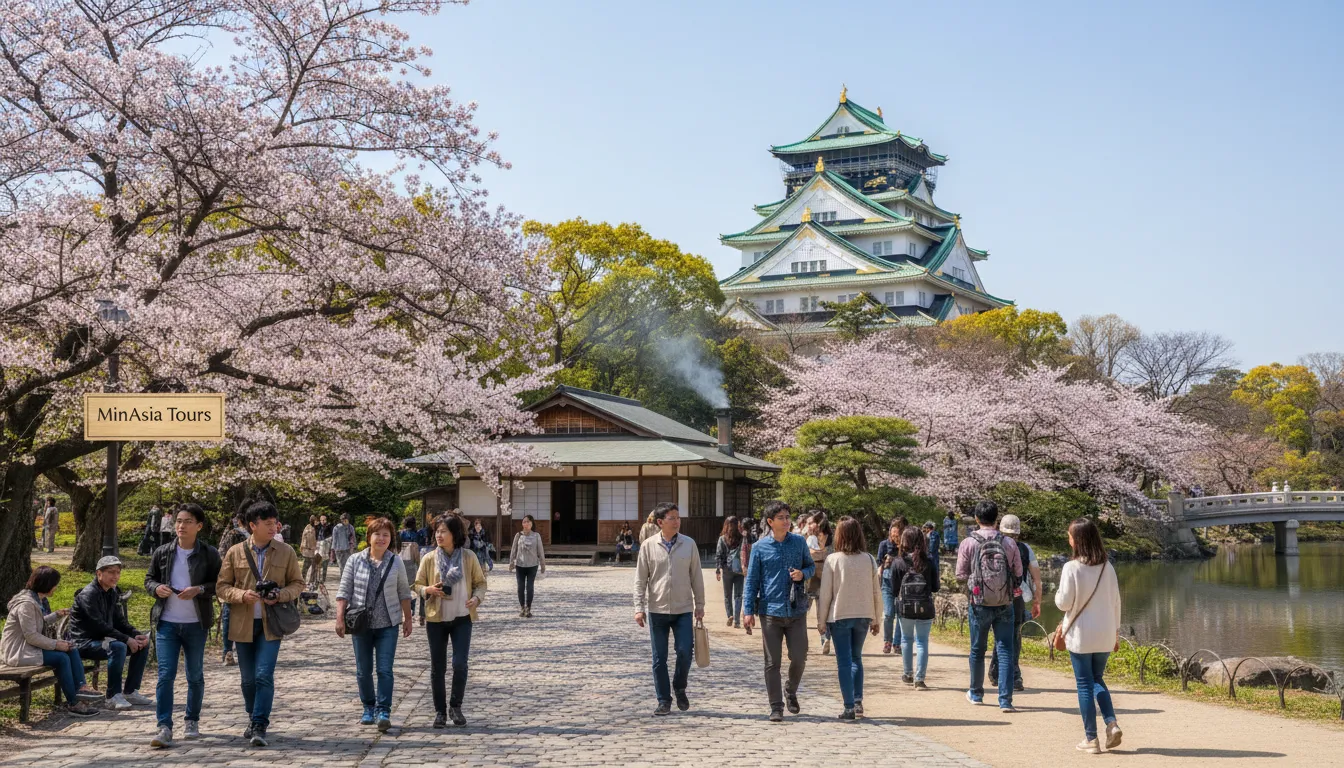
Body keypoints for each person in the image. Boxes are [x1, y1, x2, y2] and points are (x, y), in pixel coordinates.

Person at [215, 500, 305, 747]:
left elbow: (297, 583)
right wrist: (241, 595)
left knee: (264, 675)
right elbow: (221, 586)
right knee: (247, 680)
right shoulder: (235, 552)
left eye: (275, 522)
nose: (273, 527)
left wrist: (280, 595)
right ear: (252, 525)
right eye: (267, 523)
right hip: (242, 623)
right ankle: (252, 716)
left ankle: (259, 724)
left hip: (271, 624)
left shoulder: (286, 552)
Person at [145, 503, 222, 748]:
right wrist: (156, 588)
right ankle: (164, 726)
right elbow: (149, 579)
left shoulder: (209, 553)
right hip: (167, 623)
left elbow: (219, 583)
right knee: (165, 675)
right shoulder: (162, 552)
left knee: (195, 675)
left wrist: (199, 589)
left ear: (199, 526)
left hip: (196, 624)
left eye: (188, 521)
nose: (181, 525)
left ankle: (192, 719)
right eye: (179, 520)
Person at [336, 517, 413, 732]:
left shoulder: (395, 561)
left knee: (385, 670)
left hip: (388, 624)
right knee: (363, 670)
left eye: (386, 535)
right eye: (377, 534)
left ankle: (383, 710)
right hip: (361, 624)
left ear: (391, 538)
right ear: (369, 537)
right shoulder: (354, 560)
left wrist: (408, 618)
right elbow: (344, 592)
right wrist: (339, 618)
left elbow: (404, 592)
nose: (381, 538)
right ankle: (368, 707)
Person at [742, 500, 815, 722]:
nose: (786, 521)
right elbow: (752, 580)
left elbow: (810, 566)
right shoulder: (759, 548)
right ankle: (776, 706)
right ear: (770, 522)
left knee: (800, 657)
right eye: (781, 518)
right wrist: (747, 611)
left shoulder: (799, 542)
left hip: (796, 610)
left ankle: (791, 690)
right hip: (770, 611)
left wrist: (803, 574)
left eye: (787, 517)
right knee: (772, 662)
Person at [413, 512, 487, 728]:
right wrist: (427, 590)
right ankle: (439, 712)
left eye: (443, 531)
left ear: (455, 534)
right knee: (438, 667)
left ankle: (456, 706)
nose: (439, 535)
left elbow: (481, 583)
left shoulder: (468, 557)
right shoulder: (429, 558)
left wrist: (476, 598)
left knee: (460, 664)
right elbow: (417, 584)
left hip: (462, 618)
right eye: (437, 531)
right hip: (436, 620)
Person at [1056, 518, 1123, 754]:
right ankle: (1111, 723)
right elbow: (1116, 602)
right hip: (1105, 634)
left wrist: (1057, 594)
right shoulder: (1108, 567)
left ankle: (1091, 739)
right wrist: (1116, 632)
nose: (1069, 539)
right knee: (1097, 679)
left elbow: (1063, 603)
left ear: (1078, 540)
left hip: (1081, 635)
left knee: (1085, 684)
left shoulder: (1071, 568)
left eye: (1070, 536)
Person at [633, 502, 705, 716]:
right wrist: (639, 607)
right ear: (660, 522)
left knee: (685, 652)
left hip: (683, 609)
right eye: (672, 518)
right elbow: (640, 580)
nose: (677, 521)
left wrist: (699, 604)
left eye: (678, 517)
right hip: (657, 609)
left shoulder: (689, 544)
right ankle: (663, 699)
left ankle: (679, 686)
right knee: (659, 658)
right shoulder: (648, 546)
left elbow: (697, 576)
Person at [0, 567, 100, 717]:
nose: (56, 587)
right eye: (55, 584)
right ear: (47, 584)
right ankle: (74, 703)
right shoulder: (26, 604)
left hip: (29, 647)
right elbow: (31, 635)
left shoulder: (35, 600)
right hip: (18, 651)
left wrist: (55, 615)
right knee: (61, 657)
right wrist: (56, 644)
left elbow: (35, 624)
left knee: (71, 648)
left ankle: (82, 688)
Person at [955, 500, 1023, 712]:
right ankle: (1005, 700)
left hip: (979, 603)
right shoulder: (1009, 543)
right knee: (1005, 650)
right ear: (997, 519)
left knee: (977, 649)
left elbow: (960, 575)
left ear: (976, 519)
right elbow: (1019, 574)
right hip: (1004, 603)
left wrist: (973, 589)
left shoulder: (968, 542)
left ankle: (976, 693)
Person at [815, 517, 881, 720]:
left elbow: (825, 593)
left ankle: (849, 706)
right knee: (856, 659)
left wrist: (821, 620)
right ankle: (858, 701)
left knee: (844, 661)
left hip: (840, 614)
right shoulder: (869, 559)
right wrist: (877, 618)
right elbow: (876, 592)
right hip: (863, 614)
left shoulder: (833, 559)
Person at [70, 556, 152, 710]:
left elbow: (120, 621)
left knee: (142, 644)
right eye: (111, 572)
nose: (115, 576)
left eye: (118, 573)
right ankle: (113, 695)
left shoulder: (111, 592)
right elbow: (99, 625)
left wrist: (136, 635)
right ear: (99, 574)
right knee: (118, 646)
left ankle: (130, 691)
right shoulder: (89, 594)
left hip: (101, 640)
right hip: (83, 642)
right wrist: (127, 640)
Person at [992, 514, 1042, 693]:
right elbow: (1036, 579)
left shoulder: (993, 544)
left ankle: (996, 671)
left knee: (1001, 634)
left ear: (1000, 529)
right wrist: (1037, 601)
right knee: (1014, 636)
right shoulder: (1025, 549)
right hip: (1017, 596)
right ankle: (1014, 675)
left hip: (995, 596)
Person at [893, 526, 940, 690]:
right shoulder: (928, 562)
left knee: (906, 639)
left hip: (905, 608)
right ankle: (919, 679)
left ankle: (908, 674)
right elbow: (935, 587)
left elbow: (893, 589)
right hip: (924, 607)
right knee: (922, 642)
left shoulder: (898, 562)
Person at [215, 515, 249, 666]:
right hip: (237, 580)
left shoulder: (231, 534)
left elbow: (221, 555)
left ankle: (228, 651)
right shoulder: (237, 534)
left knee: (229, 616)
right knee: (232, 616)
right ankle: (229, 651)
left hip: (233, 580)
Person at [805, 513, 833, 655]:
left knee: (823, 613)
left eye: (811, 523)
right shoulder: (806, 538)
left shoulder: (831, 539)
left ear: (819, 523)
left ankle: (825, 639)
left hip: (825, 580)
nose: (808, 526)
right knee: (803, 611)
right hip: (809, 580)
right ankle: (802, 642)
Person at [875, 518, 904, 655]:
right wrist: (885, 562)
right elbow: (878, 562)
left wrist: (900, 551)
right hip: (887, 582)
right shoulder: (884, 545)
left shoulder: (905, 546)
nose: (894, 536)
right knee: (888, 614)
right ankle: (887, 641)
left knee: (900, 615)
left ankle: (897, 643)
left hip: (902, 582)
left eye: (897, 533)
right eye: (893, 533)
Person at [508, 514, 546, 617]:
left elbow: (540, 551)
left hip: (532, 565)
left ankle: (528, 608)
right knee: (520, 587)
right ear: (522, 523)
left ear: (532, 523)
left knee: (529, 587)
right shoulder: (518, 535)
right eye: (524, 521)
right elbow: (513, 550)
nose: (526, 523)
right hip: (520, 565)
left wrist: (543, 565)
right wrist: (511, 562)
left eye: (528, 521)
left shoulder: (536, 536)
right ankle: (522, 608)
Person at [714, 516, 746, 628]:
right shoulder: (742, 538)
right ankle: (737, 620)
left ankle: (730, 615)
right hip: (739, 570)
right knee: (738, 595)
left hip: (727, 570)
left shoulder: (722, 539)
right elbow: (745, 554)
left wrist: (718, 570)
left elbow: (718, 555)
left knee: (727, 595)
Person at [300, 515, 322, 590]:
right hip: (308, 550)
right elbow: (304, 538)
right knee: (305, 567)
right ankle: (302, 582)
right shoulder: (308, 527)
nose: (317, 522)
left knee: (314, 568)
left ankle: (311, 583)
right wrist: (302, 547)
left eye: (317, 520)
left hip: (316, 551)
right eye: (315, 520)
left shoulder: (319, 528)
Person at [331, 513, 356, 579]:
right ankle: (343, 579)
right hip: (338, 550)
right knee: (341, 566)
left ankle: (348, 579)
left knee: (348, 565)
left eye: (345, 520)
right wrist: (333, 550)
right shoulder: (337, 527)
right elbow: (334, 539)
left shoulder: (351, 527)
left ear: (348, 520)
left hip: (348, 549)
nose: (344, 521)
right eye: (343, 520)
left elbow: (353, 538)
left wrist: (353, 547)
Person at [316, 514, 334, 583]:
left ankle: (323, 579)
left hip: (326, 547)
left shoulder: (330, 526)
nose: (322, 521)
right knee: (318, 564)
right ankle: (318, 578)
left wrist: (326, 541)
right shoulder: (318, 527)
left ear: (326, 520)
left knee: (325, 564)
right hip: (319, 546)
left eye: (323, 520)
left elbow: (332, 536)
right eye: (321, 520)